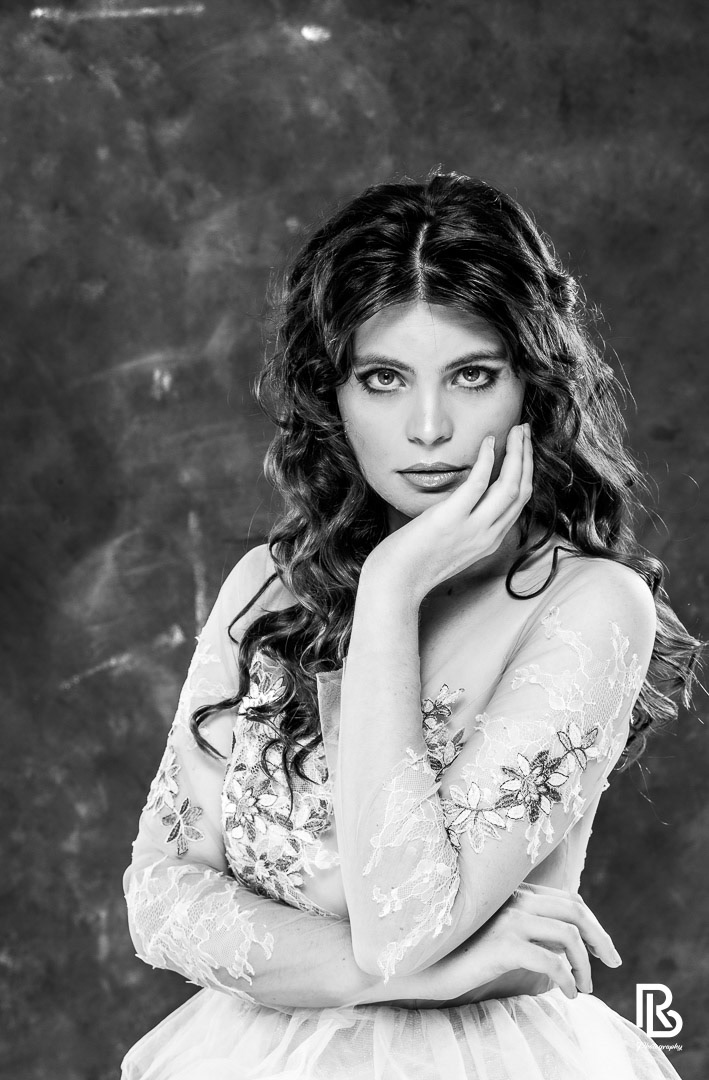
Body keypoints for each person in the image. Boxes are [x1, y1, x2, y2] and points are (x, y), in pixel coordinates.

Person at [120, 172, 703, 1079]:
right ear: (333, 395)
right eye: (383, 379)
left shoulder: (590, 604)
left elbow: (403, 925)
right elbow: (158, 898)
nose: (428, 428)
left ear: (530, 387)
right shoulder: (265, 588)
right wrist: (414, 979)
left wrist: (390, 590)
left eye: (472, 375)